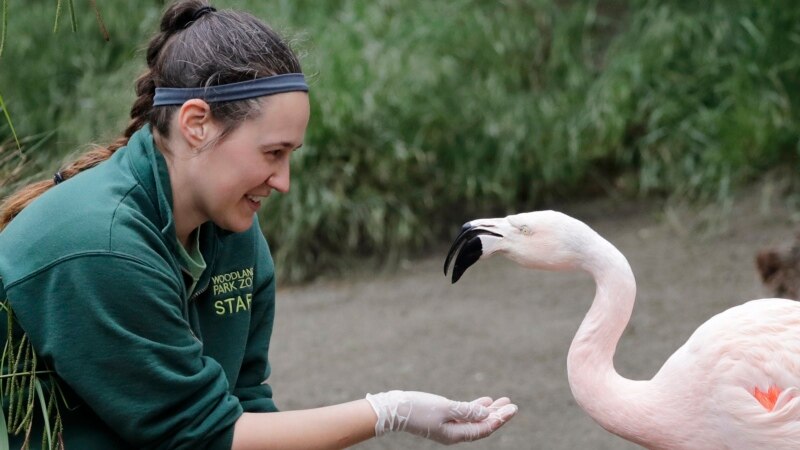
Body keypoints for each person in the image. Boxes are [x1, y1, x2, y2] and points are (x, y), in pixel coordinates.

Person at [0, 1, 518, 449]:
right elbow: (201, 436)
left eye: (290, 155)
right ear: (196, 124)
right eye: (273, 153)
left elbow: (244, 400)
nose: (284, 181)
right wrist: (390, 411)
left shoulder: (233, 235)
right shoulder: (103, 247)